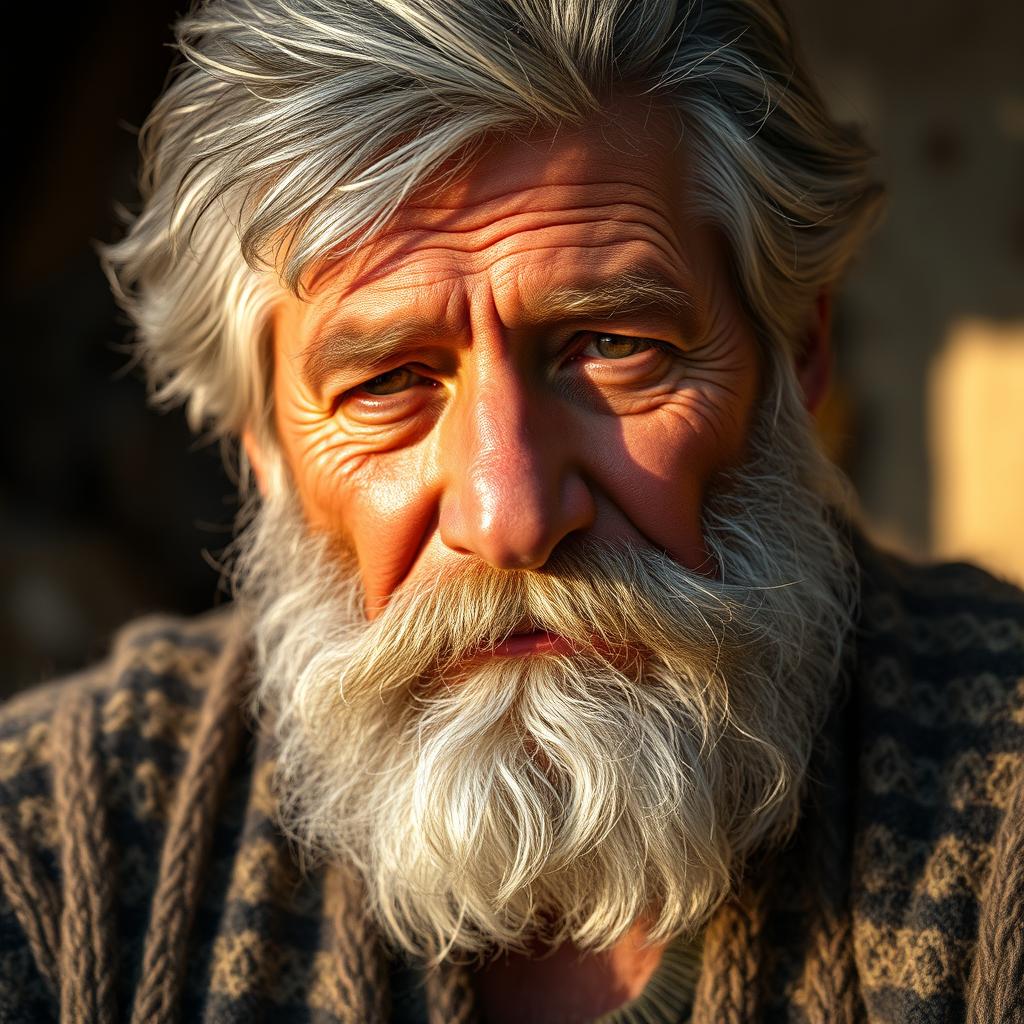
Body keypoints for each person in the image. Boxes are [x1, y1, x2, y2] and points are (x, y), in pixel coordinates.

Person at [1, 1, 1021, 1021]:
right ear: (260, 443)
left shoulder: (999, 799)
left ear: (795, 354)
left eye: (614, 346)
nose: (510, 515)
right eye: (388, 382)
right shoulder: (51, 855)